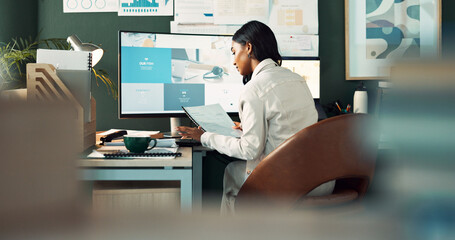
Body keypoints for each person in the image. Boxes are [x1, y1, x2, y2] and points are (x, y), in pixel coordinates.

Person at [176, 20, 335, 214]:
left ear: (249, 47)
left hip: (288, 184)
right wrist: (249, 126)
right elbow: (289, 127)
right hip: (321, 180)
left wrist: (204, 137)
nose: (233, 61)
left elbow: (249, 150)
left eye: (234, 52)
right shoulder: (296, 79)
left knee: (232, 171)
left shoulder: (253, 89)